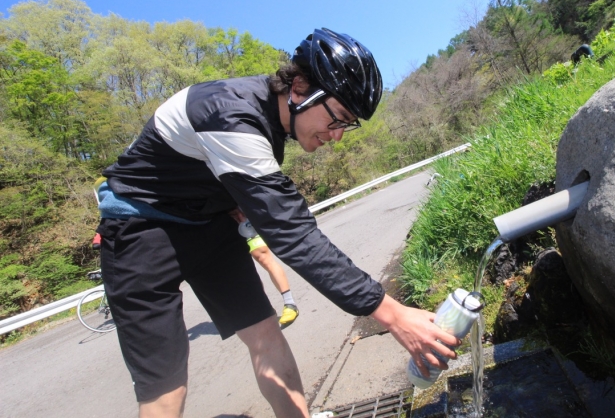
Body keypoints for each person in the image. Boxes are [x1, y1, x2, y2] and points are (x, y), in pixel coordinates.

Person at [96, 27, 459, 418]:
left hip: (207, 224)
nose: (336, 136)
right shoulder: (229, 112)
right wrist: (393, 314)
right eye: (337, 118)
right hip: (139, 228)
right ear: (300, 86)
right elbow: (294, 235)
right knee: (166, 385)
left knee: (265, 332)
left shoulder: (269, 122)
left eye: (347, 125)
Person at [231, 208, 299, 328]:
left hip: (244, 216)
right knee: (244, 272)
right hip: (220, 224)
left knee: (263, 256)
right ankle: (265, 312)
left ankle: (290, 304)